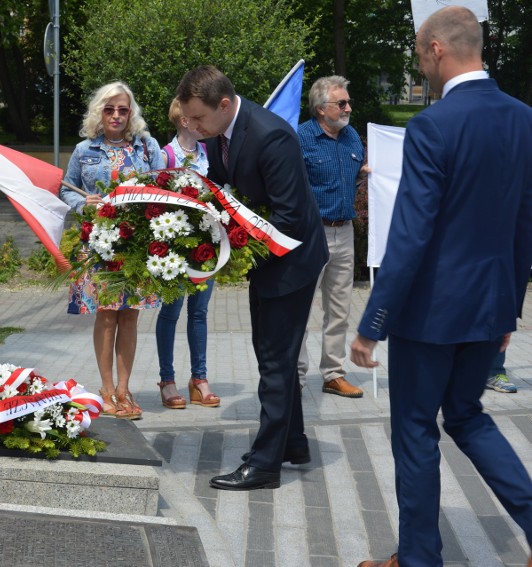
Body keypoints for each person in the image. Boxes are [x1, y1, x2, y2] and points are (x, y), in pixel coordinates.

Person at [350, 7, 532, 566]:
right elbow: (524, 223)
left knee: (414, 431)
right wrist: (508, 310)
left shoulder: (433, 125)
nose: (419, 63)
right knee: (468, 417)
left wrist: (372, 324)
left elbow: (410, 235)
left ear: (435, 49)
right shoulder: (524, 118)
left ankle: (419, 558)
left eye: (417, 52)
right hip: (489, 305)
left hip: (430, 315)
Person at [176, 66, 328, 490]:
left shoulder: (271, 136)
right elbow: (225, 190)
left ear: (224, 105)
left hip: (291, 260)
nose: (192, 127)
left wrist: (233, 249)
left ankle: (264, 466)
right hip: (268, 258)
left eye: (198, 119)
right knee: (270, 353)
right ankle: (292, 444)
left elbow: (290, 217)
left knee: (276, 360)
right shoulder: (222, 132)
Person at [59, 81, 164, 420]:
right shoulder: (83, 150)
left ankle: (125, 389)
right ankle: (106, 389)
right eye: (109, 109)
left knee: (129, 316)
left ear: (131, 112)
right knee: (106, 316)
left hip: (136, 244)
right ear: (99, 113)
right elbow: (65, 190)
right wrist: (82, 202)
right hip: (99, 243)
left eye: (122, 109)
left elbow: (164, 185)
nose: (116, 115)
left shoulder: (147, 149)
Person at [296, 76, 369, 398]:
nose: (348, 108)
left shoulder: (352, 137)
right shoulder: (300, 138)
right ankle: (294, 377)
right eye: (342, 103)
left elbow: (359, 174)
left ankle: (333, 374)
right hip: (311, 234)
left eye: (347, 102)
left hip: (345, 232)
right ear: (321, 109)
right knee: (298, 307)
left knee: (339, 309)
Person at [155, 97, 218, 410]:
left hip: (205, 244)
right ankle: (167, 380)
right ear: (183, 121)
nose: (201, 122)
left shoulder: (207, 152)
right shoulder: (167, 155)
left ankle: (200, 379)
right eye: (195, 118)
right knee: (171, 312)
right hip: (175, 248)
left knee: (200, 312)